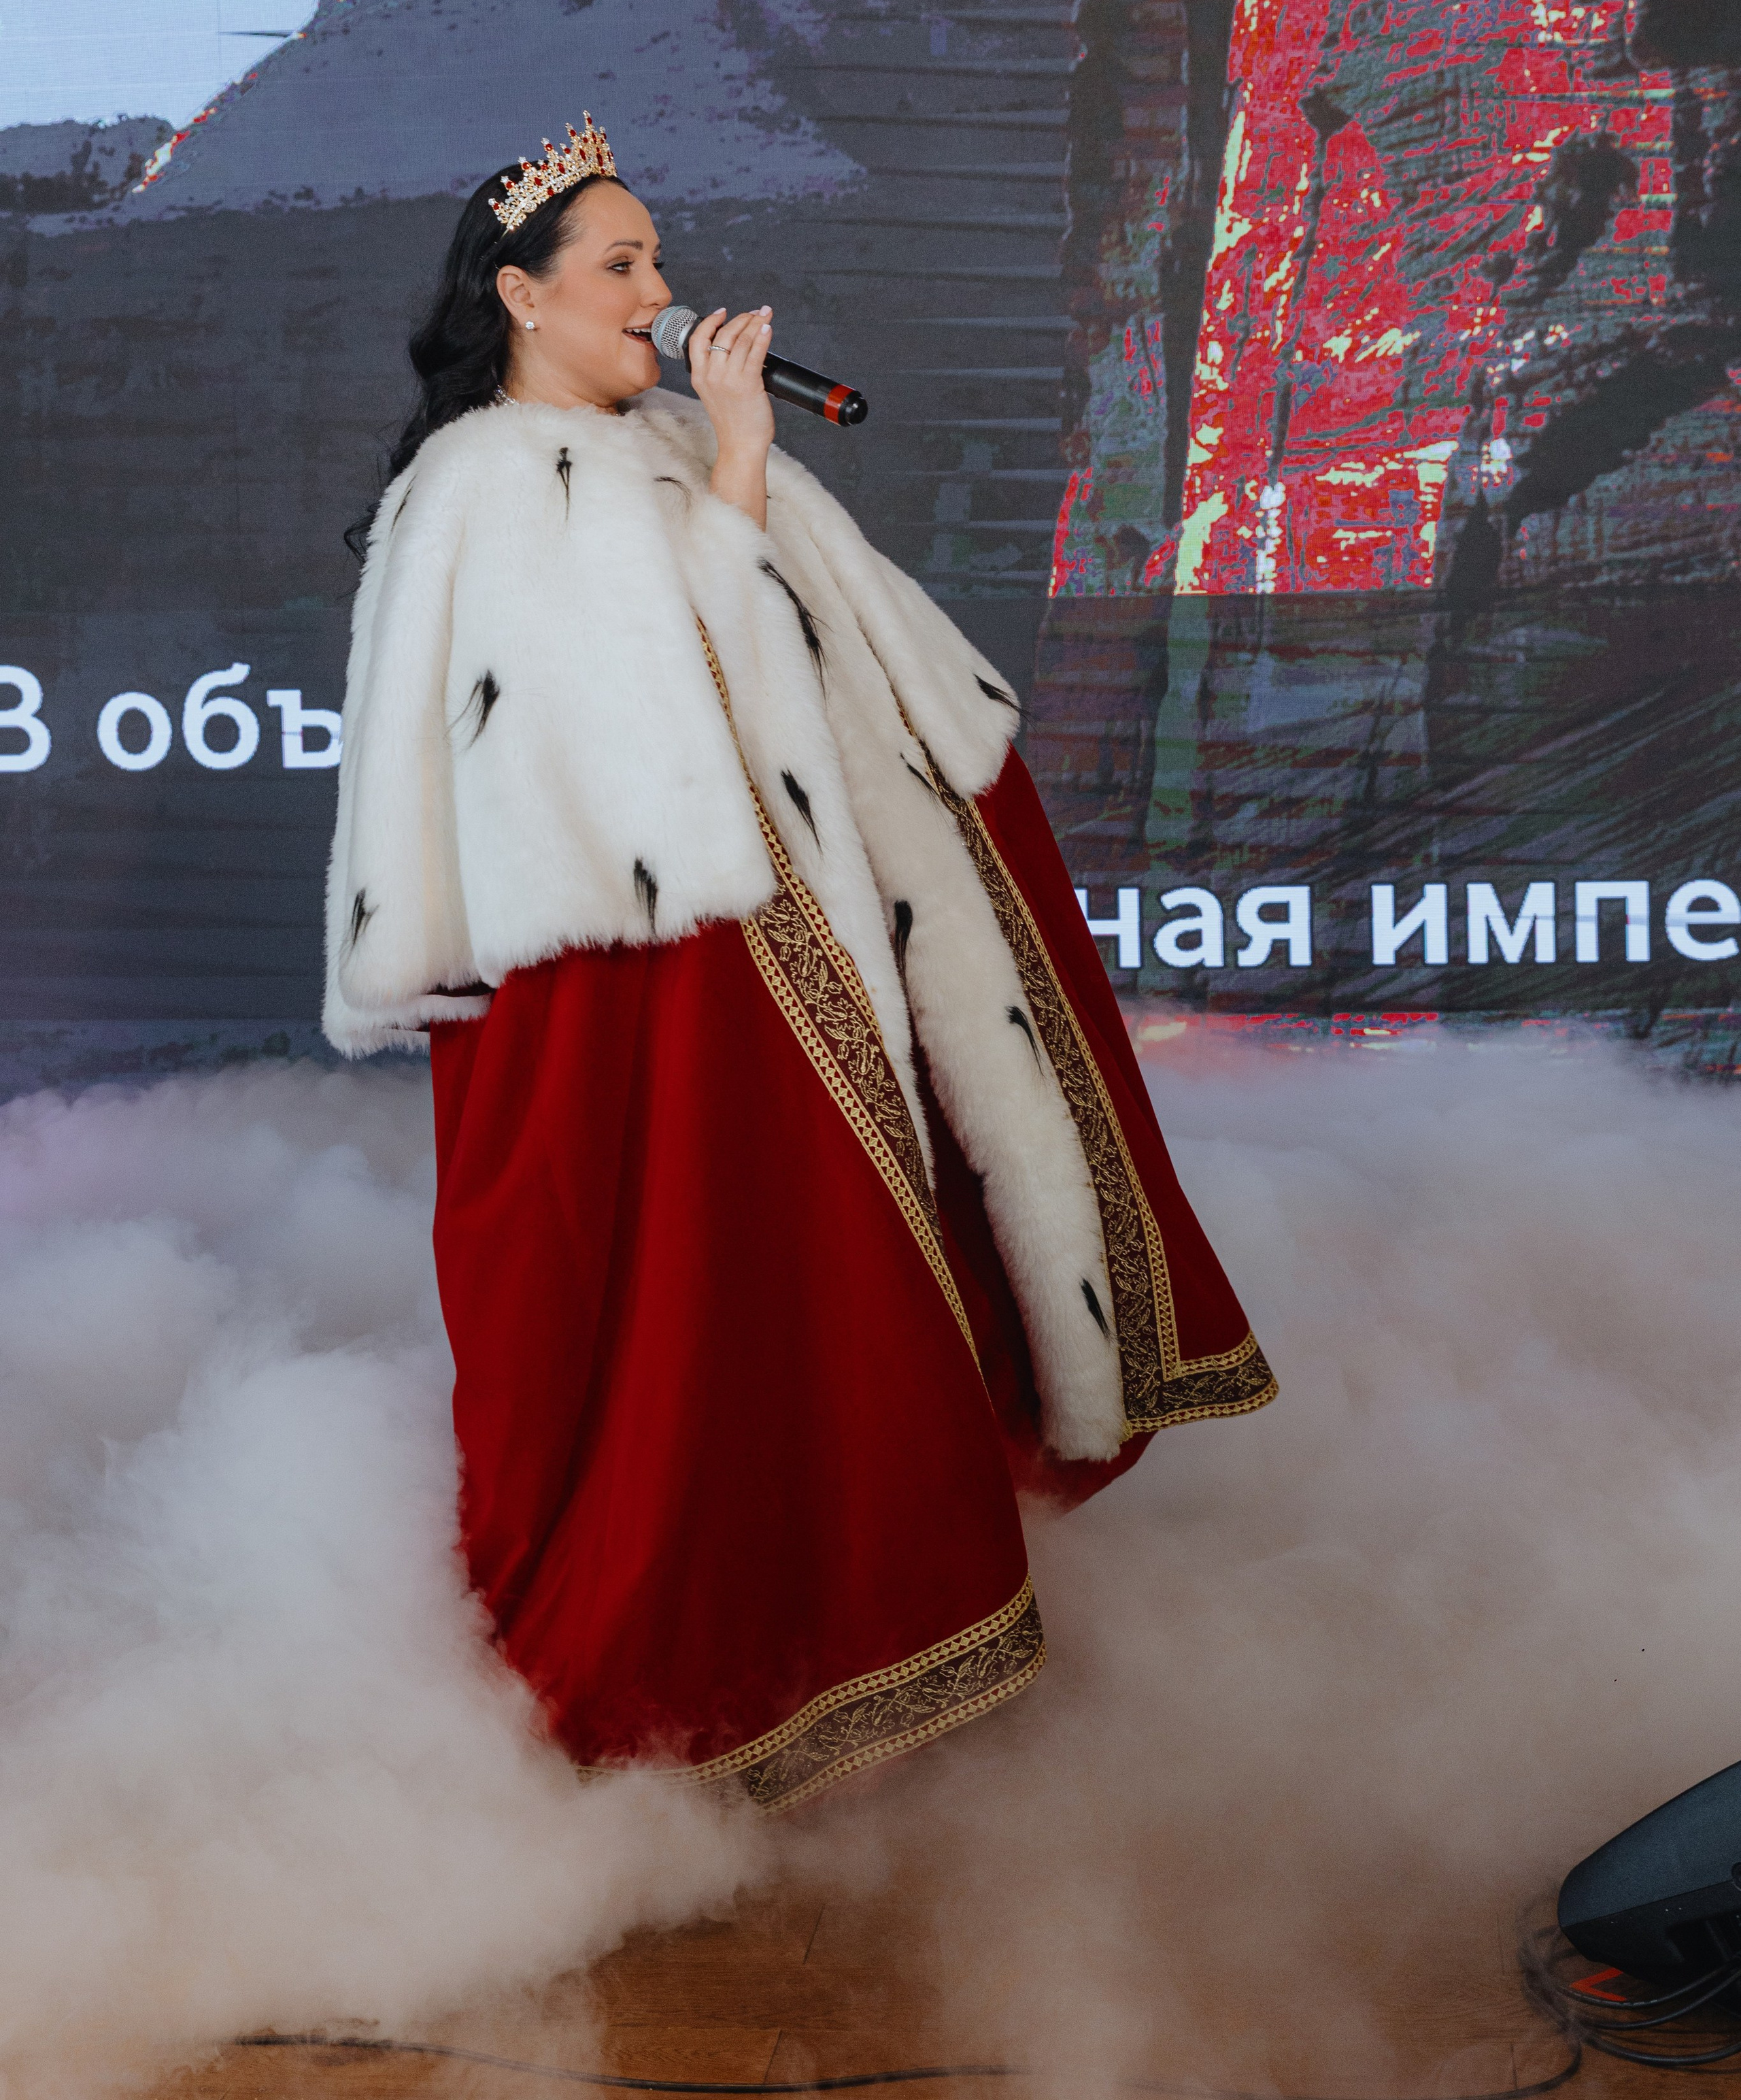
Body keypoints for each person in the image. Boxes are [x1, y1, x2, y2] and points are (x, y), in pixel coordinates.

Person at [325, 115, 1274, 1815]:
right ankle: (686, 1670)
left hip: (773, 945)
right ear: (524, 300)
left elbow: (837, 686)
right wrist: (744, 457)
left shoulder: (669, 442)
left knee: (818, 1293)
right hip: (639, 992)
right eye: (620, 266)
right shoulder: (484, 481)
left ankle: (846, 1614)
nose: (661, 294)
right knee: (693, 1318)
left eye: (658, 261)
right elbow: (678, 715)